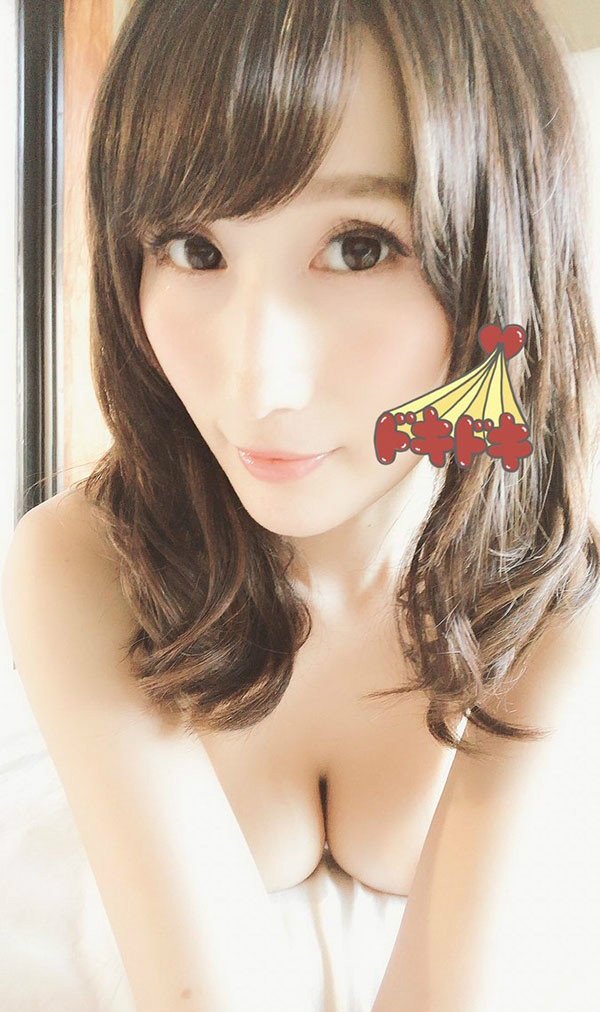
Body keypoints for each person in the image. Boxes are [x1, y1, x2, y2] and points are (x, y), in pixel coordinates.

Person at [3, 1, 600, 1010]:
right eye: (194, 248)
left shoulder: (555, 574)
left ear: (505, 247)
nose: (260, 382)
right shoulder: (85, 564)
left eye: (360, 247)